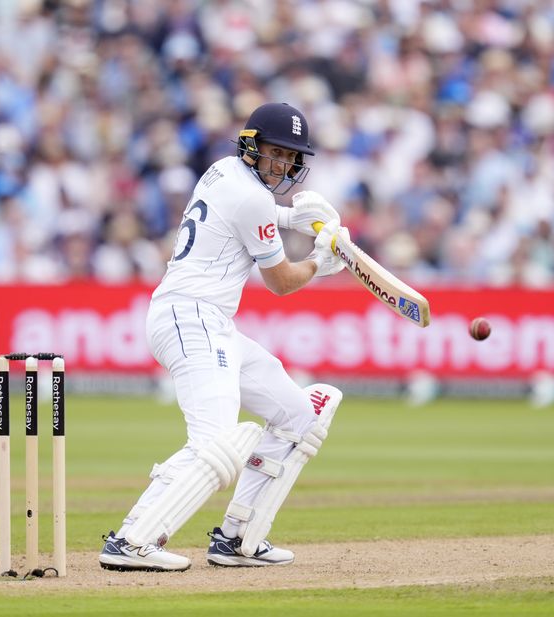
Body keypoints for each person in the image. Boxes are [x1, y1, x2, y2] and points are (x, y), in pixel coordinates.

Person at [98, 102, 348, 571]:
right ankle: (131, 539)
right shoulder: (251, 197)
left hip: (208, 321)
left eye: (291, 157)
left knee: (297, 416)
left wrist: (296, 219)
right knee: (215, 442)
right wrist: (321, 262)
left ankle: (237, 538)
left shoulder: (222, 171)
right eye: (274, 153)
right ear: (251, 146)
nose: (282, 165)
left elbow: (252, 211)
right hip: (190, 317)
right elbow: (282, 282)